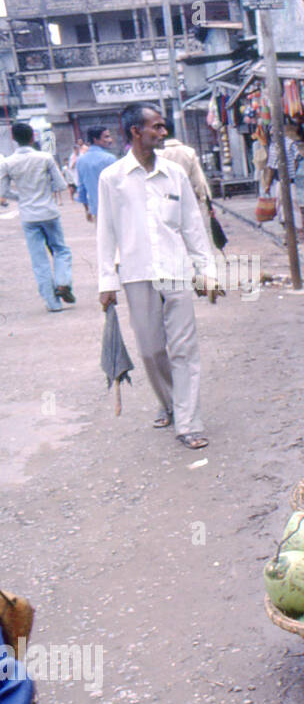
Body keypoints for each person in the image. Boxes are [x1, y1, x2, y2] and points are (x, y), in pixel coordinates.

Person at [97, 103, 216, 451]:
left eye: (163, 127)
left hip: (176, 273)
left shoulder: (174, 175)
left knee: (184, 350)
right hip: (137, 274)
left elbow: (193, 226)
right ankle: (168, 402)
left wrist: (206, 270)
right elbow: (106, 232)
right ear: (136, 131)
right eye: (157, 127)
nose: (163, 133)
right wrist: (107, 281)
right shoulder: (113, 177)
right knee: (150, 350)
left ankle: (189, 421)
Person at [0, 122, 76, 312]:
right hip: (49, 212)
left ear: (14, 140)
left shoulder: (7, 163)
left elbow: (3, 191)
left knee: (39, 259)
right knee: (61, 250)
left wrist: (23, 196)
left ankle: (53, 303)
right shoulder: (45, 158)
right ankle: (63, 282)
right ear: (33, 137)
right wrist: (44, 191)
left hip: (28, 215)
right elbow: (60, 185)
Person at [74, 127, 116, 223]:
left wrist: (87, 209)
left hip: (96, 210)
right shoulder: (110, 159)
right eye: (106, 137)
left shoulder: (81, 160)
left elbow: (81, 189)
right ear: (95, 139)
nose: (110, 140)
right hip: (114, 209)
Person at [266, 124, 304, 229]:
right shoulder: (273, 146)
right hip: (278, 179)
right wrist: (267, 184)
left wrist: (292, 172)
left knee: (294, 202)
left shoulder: (290, 143)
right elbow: (271, 166)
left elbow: (297, 158)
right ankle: (285, 225)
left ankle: (299, 227)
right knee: (279, 202)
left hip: (289, 178)